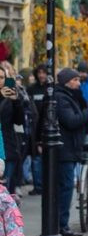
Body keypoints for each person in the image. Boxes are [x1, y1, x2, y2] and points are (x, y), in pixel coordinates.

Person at [54, 68, 88, 236]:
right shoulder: (61, 98)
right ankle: (61, 225)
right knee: (65, 187)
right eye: (76, 80)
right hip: (65, 149)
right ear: (68, 82)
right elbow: (72, 121)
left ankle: (60, 223)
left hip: (69, 147)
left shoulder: (70, 96)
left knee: (65, 186)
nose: (79, 83)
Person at [0, 66, 25, 190]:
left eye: (2, 77)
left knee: (5, 189)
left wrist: (16, 102)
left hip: (7, 147)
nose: (0, 80)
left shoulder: (10, 94)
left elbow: (19, 121)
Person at [26, 65, 46, 196]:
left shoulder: (51, 89)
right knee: (36, 158)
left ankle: (45, 184)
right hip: (34, 127)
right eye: (39, 72)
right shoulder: (31, 89)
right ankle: (38, 185)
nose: (41, 75)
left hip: (46, 126)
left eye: (43, 72)